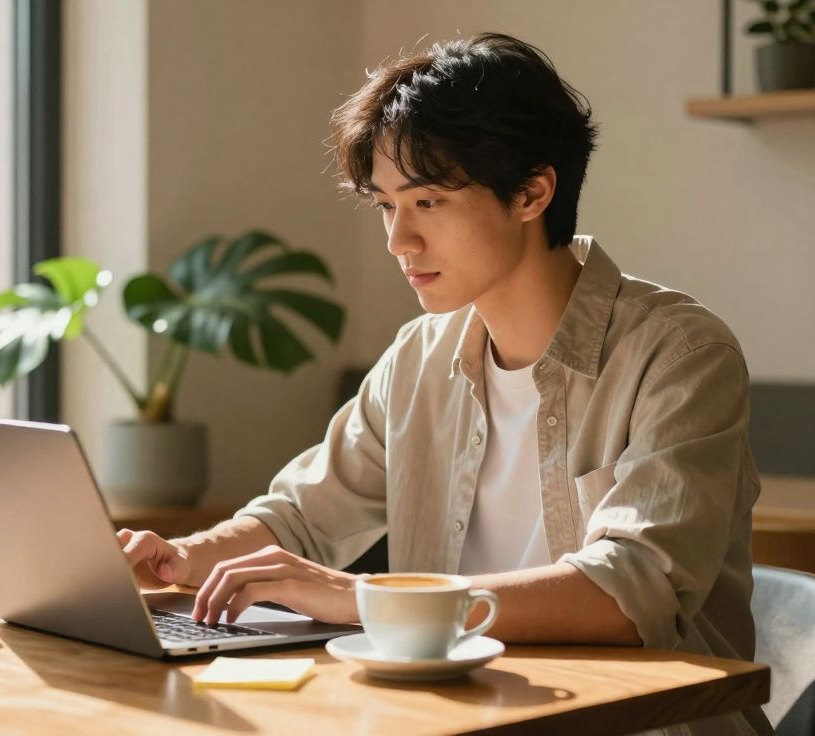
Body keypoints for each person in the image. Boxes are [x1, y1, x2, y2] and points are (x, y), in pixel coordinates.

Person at [118, 33, 767, 734]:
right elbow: (301, 519)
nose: (400, 241)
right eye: (386, 206)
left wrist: (364, 596)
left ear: (532, 192)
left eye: (428, 202)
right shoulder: (419, 357)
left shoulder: (679, 354)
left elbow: (630, 591)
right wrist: (183, 558)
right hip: (450, 718)